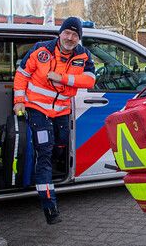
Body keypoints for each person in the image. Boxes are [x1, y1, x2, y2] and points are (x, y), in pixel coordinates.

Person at [13, 17, 95, 224]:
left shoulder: (83, 55)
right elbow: (22, 75)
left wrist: (62, 78)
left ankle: (48, 172)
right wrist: (19, 101)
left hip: (61, 111)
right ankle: (49, 206)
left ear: (79, 38)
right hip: (37, 109)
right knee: (45, 152)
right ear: (60, 33)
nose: (70, 37)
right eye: (67, 33)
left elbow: (90, 80)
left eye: (75, 35)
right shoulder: (41, 50)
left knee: (62, 144)